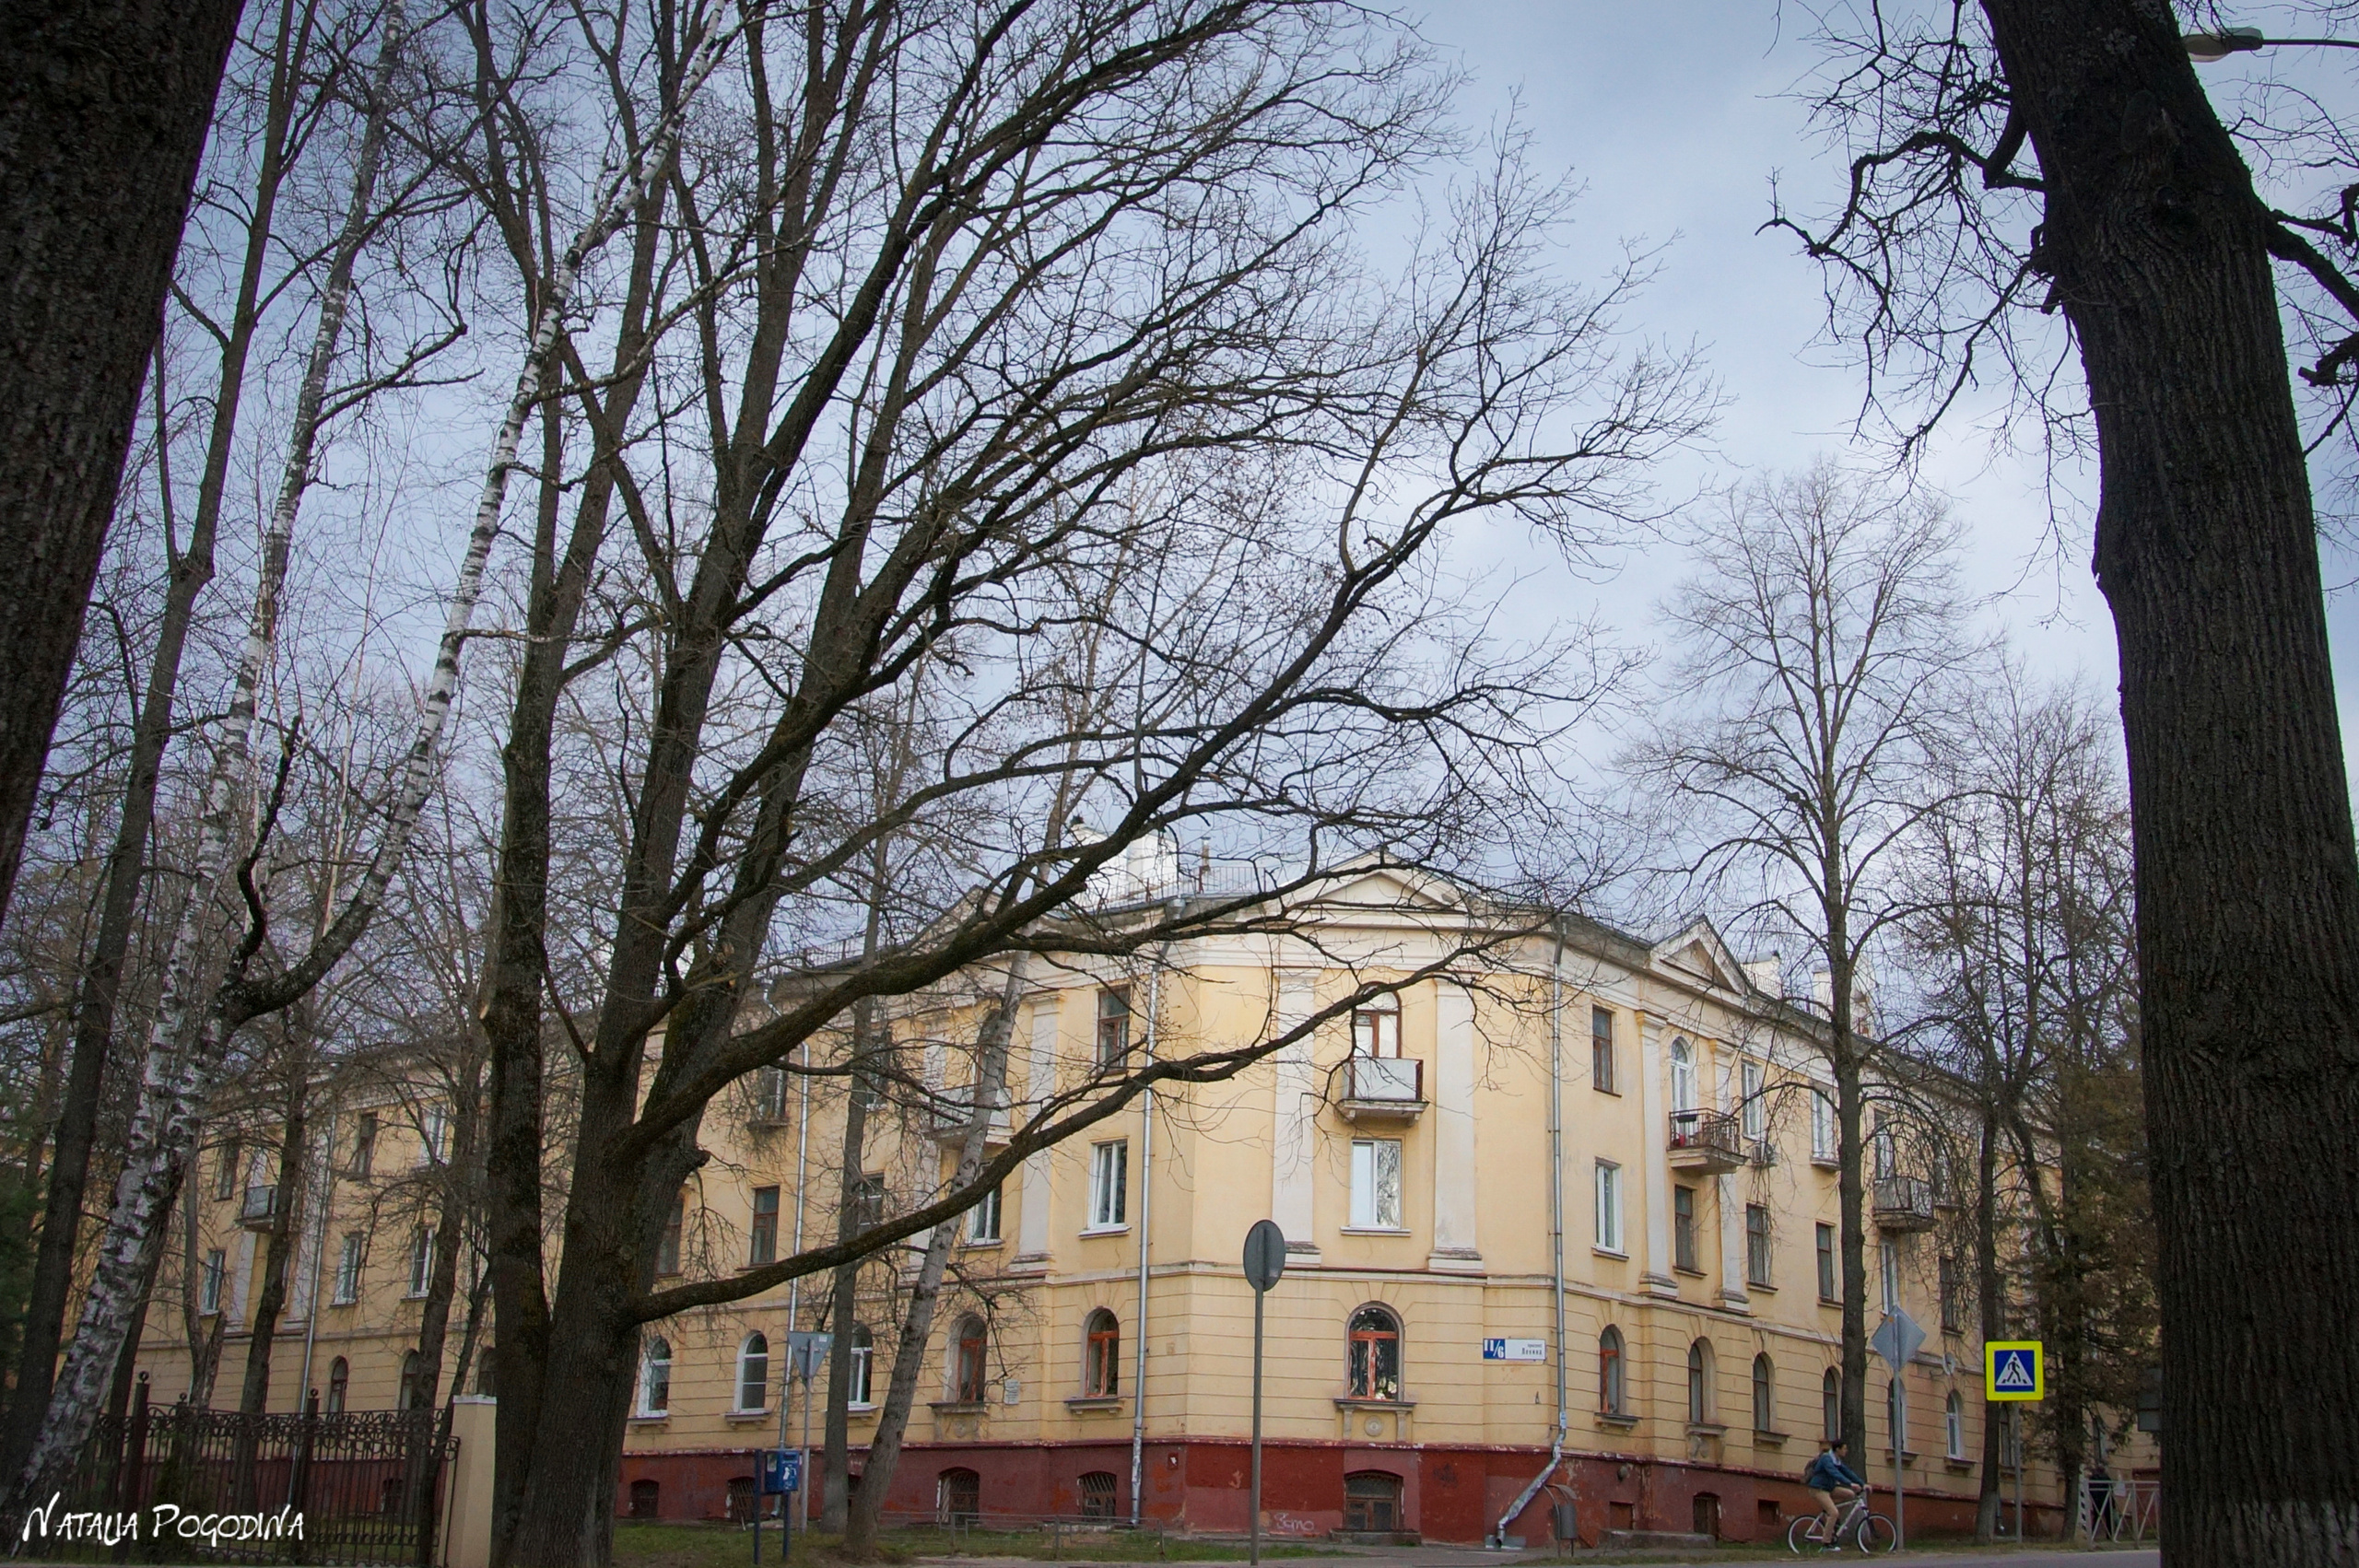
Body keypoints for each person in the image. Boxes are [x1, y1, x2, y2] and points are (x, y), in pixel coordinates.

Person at [1803, 1436, 1868, 1540]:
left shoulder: (1837, 1460)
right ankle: (1827, 1542)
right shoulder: (1826, 1459)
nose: (1846, 1451)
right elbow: (1834, 1473)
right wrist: (1850, 1484)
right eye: (1844, 1448)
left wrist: (1862, 1484)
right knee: (1834, 1513)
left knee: (1850, 1494)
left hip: (1829, 1488)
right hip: (1819, 1489)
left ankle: (1830, 1513)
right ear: (1838, 1449)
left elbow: (1848, 1472)